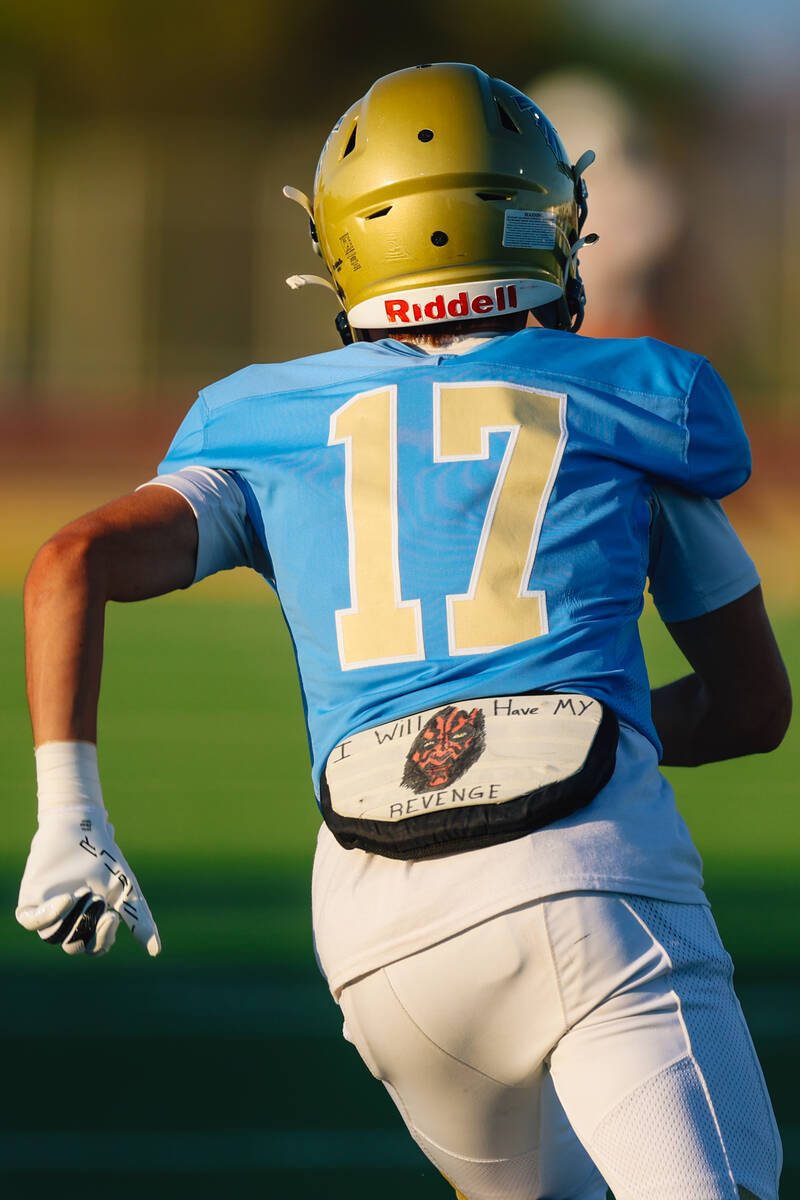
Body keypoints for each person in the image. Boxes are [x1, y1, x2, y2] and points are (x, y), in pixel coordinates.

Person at [17, 62, 791, 1200]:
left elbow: (69, 560)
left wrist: (69, 816)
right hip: (591, 878)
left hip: (381, 934)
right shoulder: (639, 394)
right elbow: (751, 707)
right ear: (544, 217)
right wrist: (566, 719)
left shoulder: (256, 417)